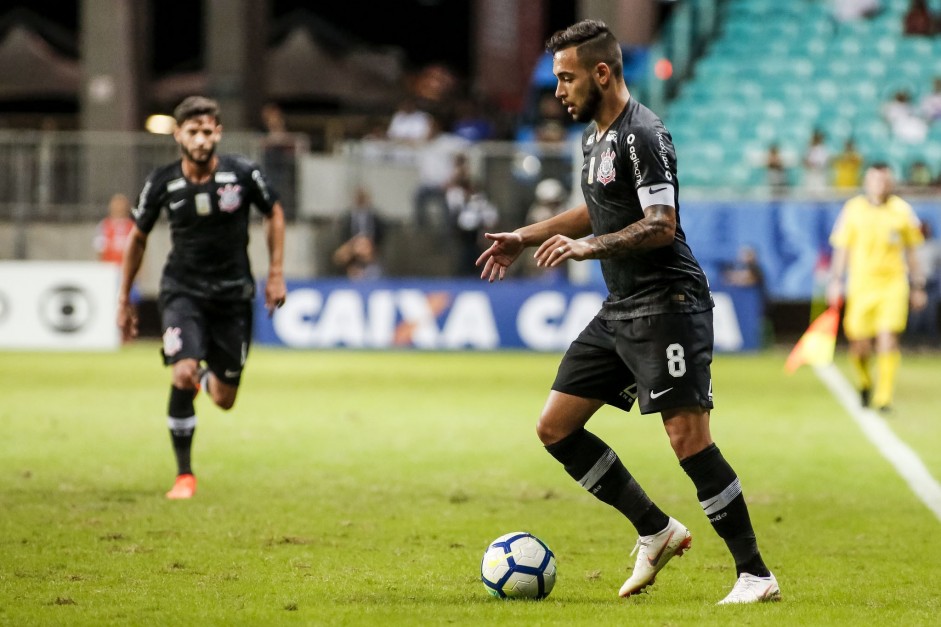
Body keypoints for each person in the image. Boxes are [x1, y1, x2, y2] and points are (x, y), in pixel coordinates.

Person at [476, 20, 779, 605]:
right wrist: (523, 235)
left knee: (687, 437)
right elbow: (594, 210)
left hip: (668, 302)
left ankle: (755, 574)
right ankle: (656, 529)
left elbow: (661, 226)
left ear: (602, 72)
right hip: (621, 308)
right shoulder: (595, 137)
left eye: (566, 79)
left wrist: (588, 249)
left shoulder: (644, 134)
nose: (558, 91)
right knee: (555, 427)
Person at [117, 96, 287, 500]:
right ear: (178, 134)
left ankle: (208, 377)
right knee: (182, 372)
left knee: (225, 400)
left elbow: (275, 213)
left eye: (207, 131)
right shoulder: (161, 182)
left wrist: (276, 272)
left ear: (218, 133)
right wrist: (124, 296)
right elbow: (137, 237)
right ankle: (184, 476)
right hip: (182, 292)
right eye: (192, 131)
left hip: (232, 295)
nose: (200, 139)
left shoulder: (243, 174)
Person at [827, 163, 927, 412]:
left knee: (888, 337)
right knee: (859, 343)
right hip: (861, 283)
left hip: (893, 283)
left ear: (891, 183)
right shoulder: (852, 210)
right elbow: (843, 248)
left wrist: (917, 285)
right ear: (867, 182)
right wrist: (836, 281)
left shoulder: (902, 211)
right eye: (876, 180)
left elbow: (912, 251)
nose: (881, 185)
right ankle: (865, 381)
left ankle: (884, 398)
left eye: (885, 180)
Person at [332, 186, 386, 280]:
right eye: (358, 197)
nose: (360, 199)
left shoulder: (375, 217)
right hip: (351, 246)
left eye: (362, 197)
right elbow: (343, 236)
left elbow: (381, 235)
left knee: (364, 246)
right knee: (341, 255)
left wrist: (369, 244)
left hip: (371, 246)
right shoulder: (347, 217)